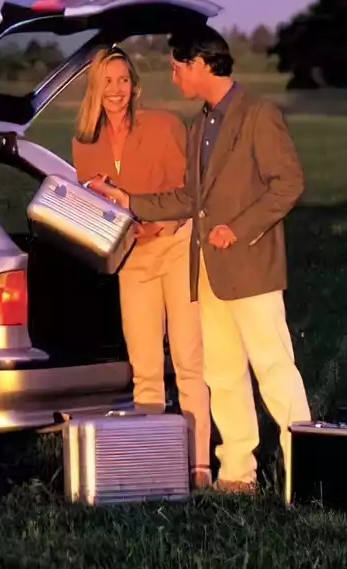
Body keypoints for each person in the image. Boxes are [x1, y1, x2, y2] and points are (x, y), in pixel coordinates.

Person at [88, 26, 309, 493]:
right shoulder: (200, 124)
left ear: (202, 64)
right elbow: (189, 197)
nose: (173, 77)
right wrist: (129, 201)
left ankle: (306, 470)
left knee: (273, 369)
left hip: (250, 266)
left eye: (177, 68)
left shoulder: (259, 114)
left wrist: (239, 228)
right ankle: (237, 471)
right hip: (205, 269)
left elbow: (288, 184)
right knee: (223, 373)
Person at [70, 46, 211, 487]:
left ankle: (199, 464)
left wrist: (165, 223)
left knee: (188, 360)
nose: (116, 90)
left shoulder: (164, 125)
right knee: (145, 366)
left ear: (134, 86)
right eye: (107, 82)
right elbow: (92, 207)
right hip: (132, 258)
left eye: (122, 80)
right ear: (95, 89)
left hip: (175, 244)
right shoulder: (83, 142)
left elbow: (188, 191)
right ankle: (157, 465)